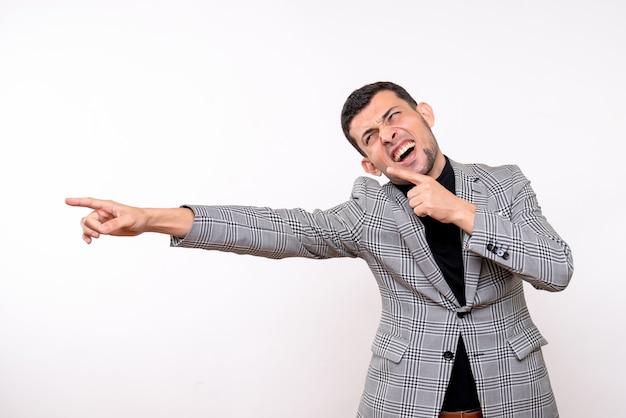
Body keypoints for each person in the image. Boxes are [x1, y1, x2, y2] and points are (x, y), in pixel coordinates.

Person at [66, 81, 574, 418]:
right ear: (370, 164)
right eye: (370, 137)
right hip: (404, 400)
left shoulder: (504, 186)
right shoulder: (368, 215)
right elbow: (277, 229)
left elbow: (557, 268)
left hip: (516, 395)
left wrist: (460, 211)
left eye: (394, 116)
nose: (388, 134)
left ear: (425, 114)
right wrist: (151, 219)